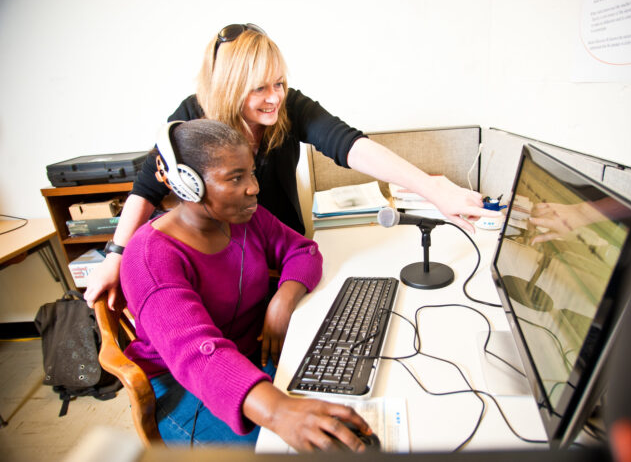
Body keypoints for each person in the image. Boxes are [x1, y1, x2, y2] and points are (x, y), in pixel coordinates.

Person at [85, 23, 500, 309]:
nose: (275, 97)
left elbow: (350, 144)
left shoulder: (288, 106)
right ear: (229, 89)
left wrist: (436, 190)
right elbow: (146, 187)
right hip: (229, 269)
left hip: (286, 252)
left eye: (279, 83)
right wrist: (116, 255)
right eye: (260, 88)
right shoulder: (193, 119)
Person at [121, 119, 373, 451]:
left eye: (251, 173)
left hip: (251, 355)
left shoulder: (246, 217)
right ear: (188, 185)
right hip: (184, 388)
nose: (253, 187)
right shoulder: (150, 259)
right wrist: (279, 410)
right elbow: (197, 355)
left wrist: (282, 300)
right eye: (236, 178)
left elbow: (303, 251)